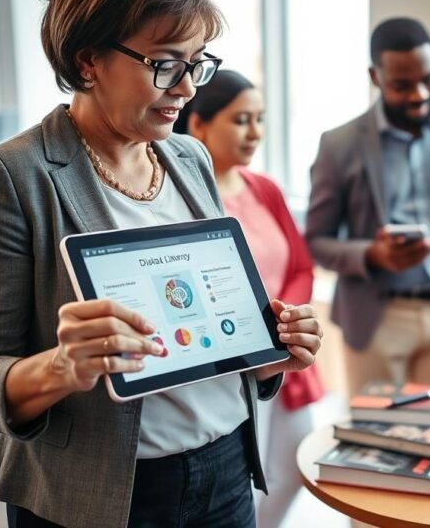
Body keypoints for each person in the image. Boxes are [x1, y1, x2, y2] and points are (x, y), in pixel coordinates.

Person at [0, 0, 323, 527]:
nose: (188, 88)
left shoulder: (189, 157)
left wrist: (267, 352)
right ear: (89, 61)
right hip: (99, 496)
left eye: (197, 63)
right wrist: (63, 367)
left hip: (226, 472)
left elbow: (200, 333)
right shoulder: (10, 177)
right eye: (166, 64)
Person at [306, 17, 430, 395]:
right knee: (372, 442)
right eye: (402, 85)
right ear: (375, 77)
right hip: (375, 317)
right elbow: (317, 241)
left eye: (428, 79)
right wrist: (372, 254)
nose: (419, 95)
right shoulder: (339, 144)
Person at [174, 70, 325, 528]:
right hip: (228, 359)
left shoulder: (265, 188)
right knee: (240, 474)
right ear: (198, 124)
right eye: (241, 120)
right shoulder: (182, 196)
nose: (255, 133)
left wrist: (286, 320)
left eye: (259, 119)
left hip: (280, 348)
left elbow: (300, 265)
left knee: (297, 465)